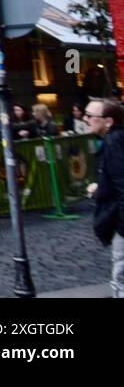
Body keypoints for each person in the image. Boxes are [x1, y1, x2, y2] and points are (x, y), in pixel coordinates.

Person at [86, 99, 124, 297]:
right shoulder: (113, 140)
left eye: (91, 116)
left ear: (108, 121)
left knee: (121, 273)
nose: (86, 119)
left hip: (121, 221)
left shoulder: (114, 142)